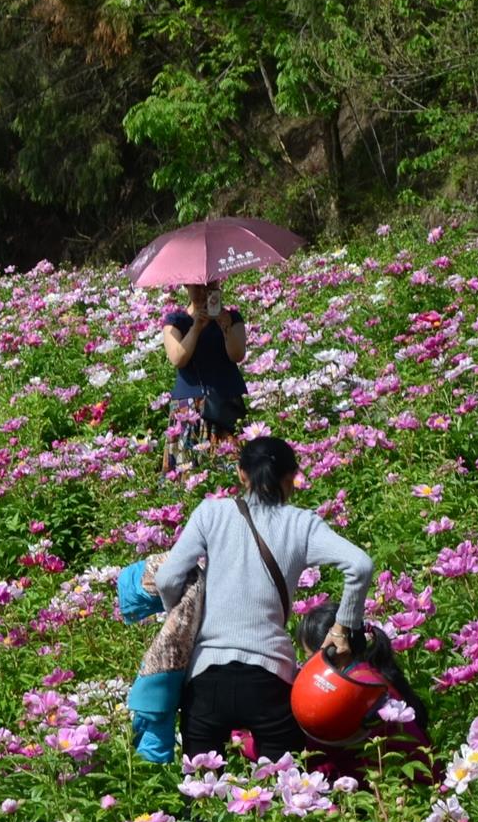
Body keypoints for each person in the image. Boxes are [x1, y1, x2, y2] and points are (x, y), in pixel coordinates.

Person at [153, 437, 374, 763]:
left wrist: (183, 618)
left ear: (241, 473)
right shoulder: (301, 524)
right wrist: (343, 628)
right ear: (292, 477)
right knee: (280, 786)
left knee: (200, 787)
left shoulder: (211, 514)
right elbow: (360, 565)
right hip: (270, 679)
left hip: (206, 678)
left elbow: (166, 578)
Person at [294, 607, 434, 787]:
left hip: (405, 787)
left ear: (331, 651)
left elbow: (324, 755)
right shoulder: (366, 672)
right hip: (415, 780)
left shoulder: (351, 689)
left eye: (309, 657)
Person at [160, 282, 249, 467]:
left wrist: (226, 328)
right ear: (186, 286)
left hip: (225, 402)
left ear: (218, 285)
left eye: (209, 286)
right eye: (197, 286)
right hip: (189, 406)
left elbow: (237, 355)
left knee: (231, 466)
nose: (203, 291)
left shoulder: (232, 318)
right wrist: (196, 328)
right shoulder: (175, 321)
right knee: (187, 469)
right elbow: (178, 358)